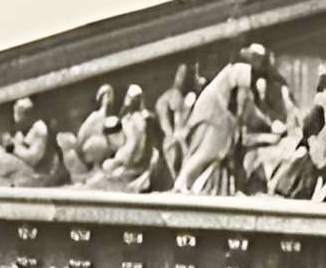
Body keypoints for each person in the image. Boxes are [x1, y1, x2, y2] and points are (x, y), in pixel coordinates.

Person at [174, 47, 272, 196]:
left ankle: (187, 182)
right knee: (209, 151)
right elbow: (243, 100)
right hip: (216, 111)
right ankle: (182, 182)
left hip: (213, 109)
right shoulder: (243, 69)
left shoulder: (233, 69)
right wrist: (265, 124)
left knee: (207, 150)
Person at [0, 95, 66, 188]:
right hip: (23, 171)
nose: (16, 115)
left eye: (20, 112)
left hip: (37, 175)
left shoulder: (40, 128)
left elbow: (32, 159)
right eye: (17, 111)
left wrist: (12, 146)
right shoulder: (23, 129)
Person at [78, 85, 162, 191]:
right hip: (126, 159)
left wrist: (120, 160)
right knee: (106, 167)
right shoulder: (128, 118)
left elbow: (134, 145)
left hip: (133, 163)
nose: (127, 100)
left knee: (108, 168)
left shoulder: (138, 120)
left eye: (130, 98)